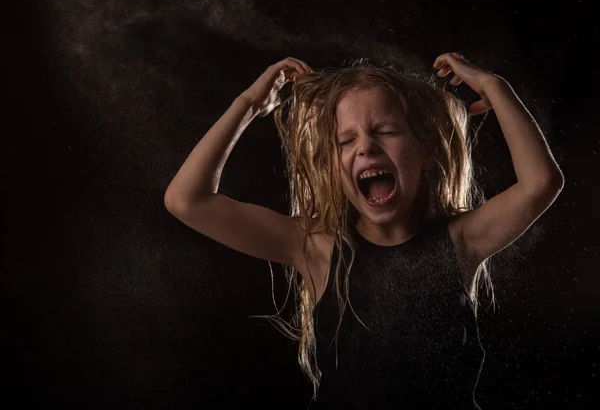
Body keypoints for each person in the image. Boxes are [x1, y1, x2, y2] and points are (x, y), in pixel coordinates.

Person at [164, 54, 564, 409]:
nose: (366, 147)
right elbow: (187, 200)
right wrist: (248, 105)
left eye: (386, 131)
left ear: (426, 154)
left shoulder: (460, 241)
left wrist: (496, 87)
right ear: (334, 168)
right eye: (346, 139)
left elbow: (540, 182)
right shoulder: (316, 249)